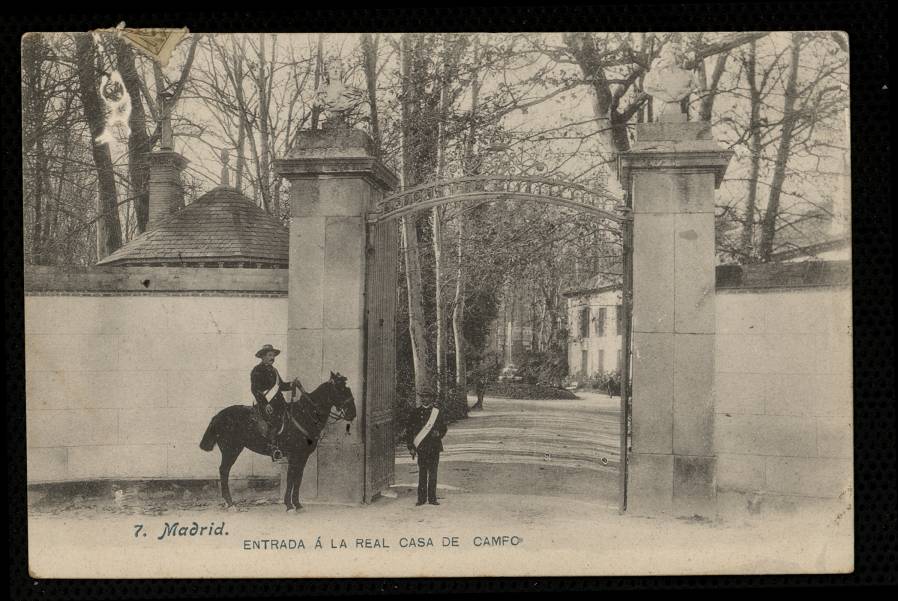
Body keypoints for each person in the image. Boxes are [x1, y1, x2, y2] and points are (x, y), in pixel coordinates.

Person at [250, 344, 300, 461]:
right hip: (266, 405)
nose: (272, 357)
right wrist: (265, 404)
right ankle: (274, 448)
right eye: (269, 355)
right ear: (262, 357)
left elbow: (281, 386)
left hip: (279, 403)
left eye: (273, 355)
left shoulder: (274, 370)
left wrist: (292, 384)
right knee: (275, 421)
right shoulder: (257, 370)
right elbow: (255, 389)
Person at [405, 392, 448, 506]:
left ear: (432, 399)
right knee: (422, 473)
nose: (424, 399)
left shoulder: (437, 412)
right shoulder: (415, 412)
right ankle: (421, 498)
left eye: (427, 397)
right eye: (423, 397)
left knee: (433, 473)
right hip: (422, 447)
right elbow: (409, 430)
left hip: (434, 446)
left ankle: (432, 498)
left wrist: (439, 433)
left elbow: (444, 428)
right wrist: (411, 447)